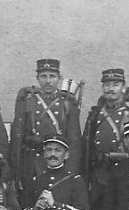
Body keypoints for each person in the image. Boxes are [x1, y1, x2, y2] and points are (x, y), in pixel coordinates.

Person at [83, 68, 129, 210]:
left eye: (116, 84)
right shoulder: (95, 116)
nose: (111, 89)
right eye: (107, 84)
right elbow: (86, 147)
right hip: (99, 176)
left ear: (123, 87)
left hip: (123, 174)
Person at [9, 58, 83, 189]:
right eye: (43, 76)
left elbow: (74, 143)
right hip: (32, 164)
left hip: (58, 165)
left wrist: (71, 174)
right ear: (37, 78)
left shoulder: (67, 104)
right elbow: (17, 140)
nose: (48, 81)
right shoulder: (28, 102)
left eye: (52, 76)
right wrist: (17, 173)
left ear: (59, 78)